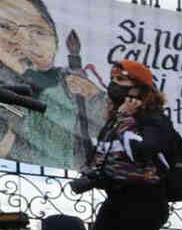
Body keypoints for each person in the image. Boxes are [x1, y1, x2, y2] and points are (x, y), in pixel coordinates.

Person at [71, 60, 174, 230]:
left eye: (120, 79)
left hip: (144, 204)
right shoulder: (114, 122)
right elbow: (110, 162)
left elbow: (142, 151)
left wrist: (126, 117)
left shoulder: (154, 121)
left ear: (137, 88)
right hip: (116, 201)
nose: (113, 84)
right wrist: (92, 179)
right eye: (112, 79)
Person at [0, 0, 107, 170]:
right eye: (5, 27)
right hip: (21, 182)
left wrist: (95, 97)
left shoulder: (68, 81)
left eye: (38, 31)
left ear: (55, 42)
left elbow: (102, 128)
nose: (23, 40)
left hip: (70, 182)